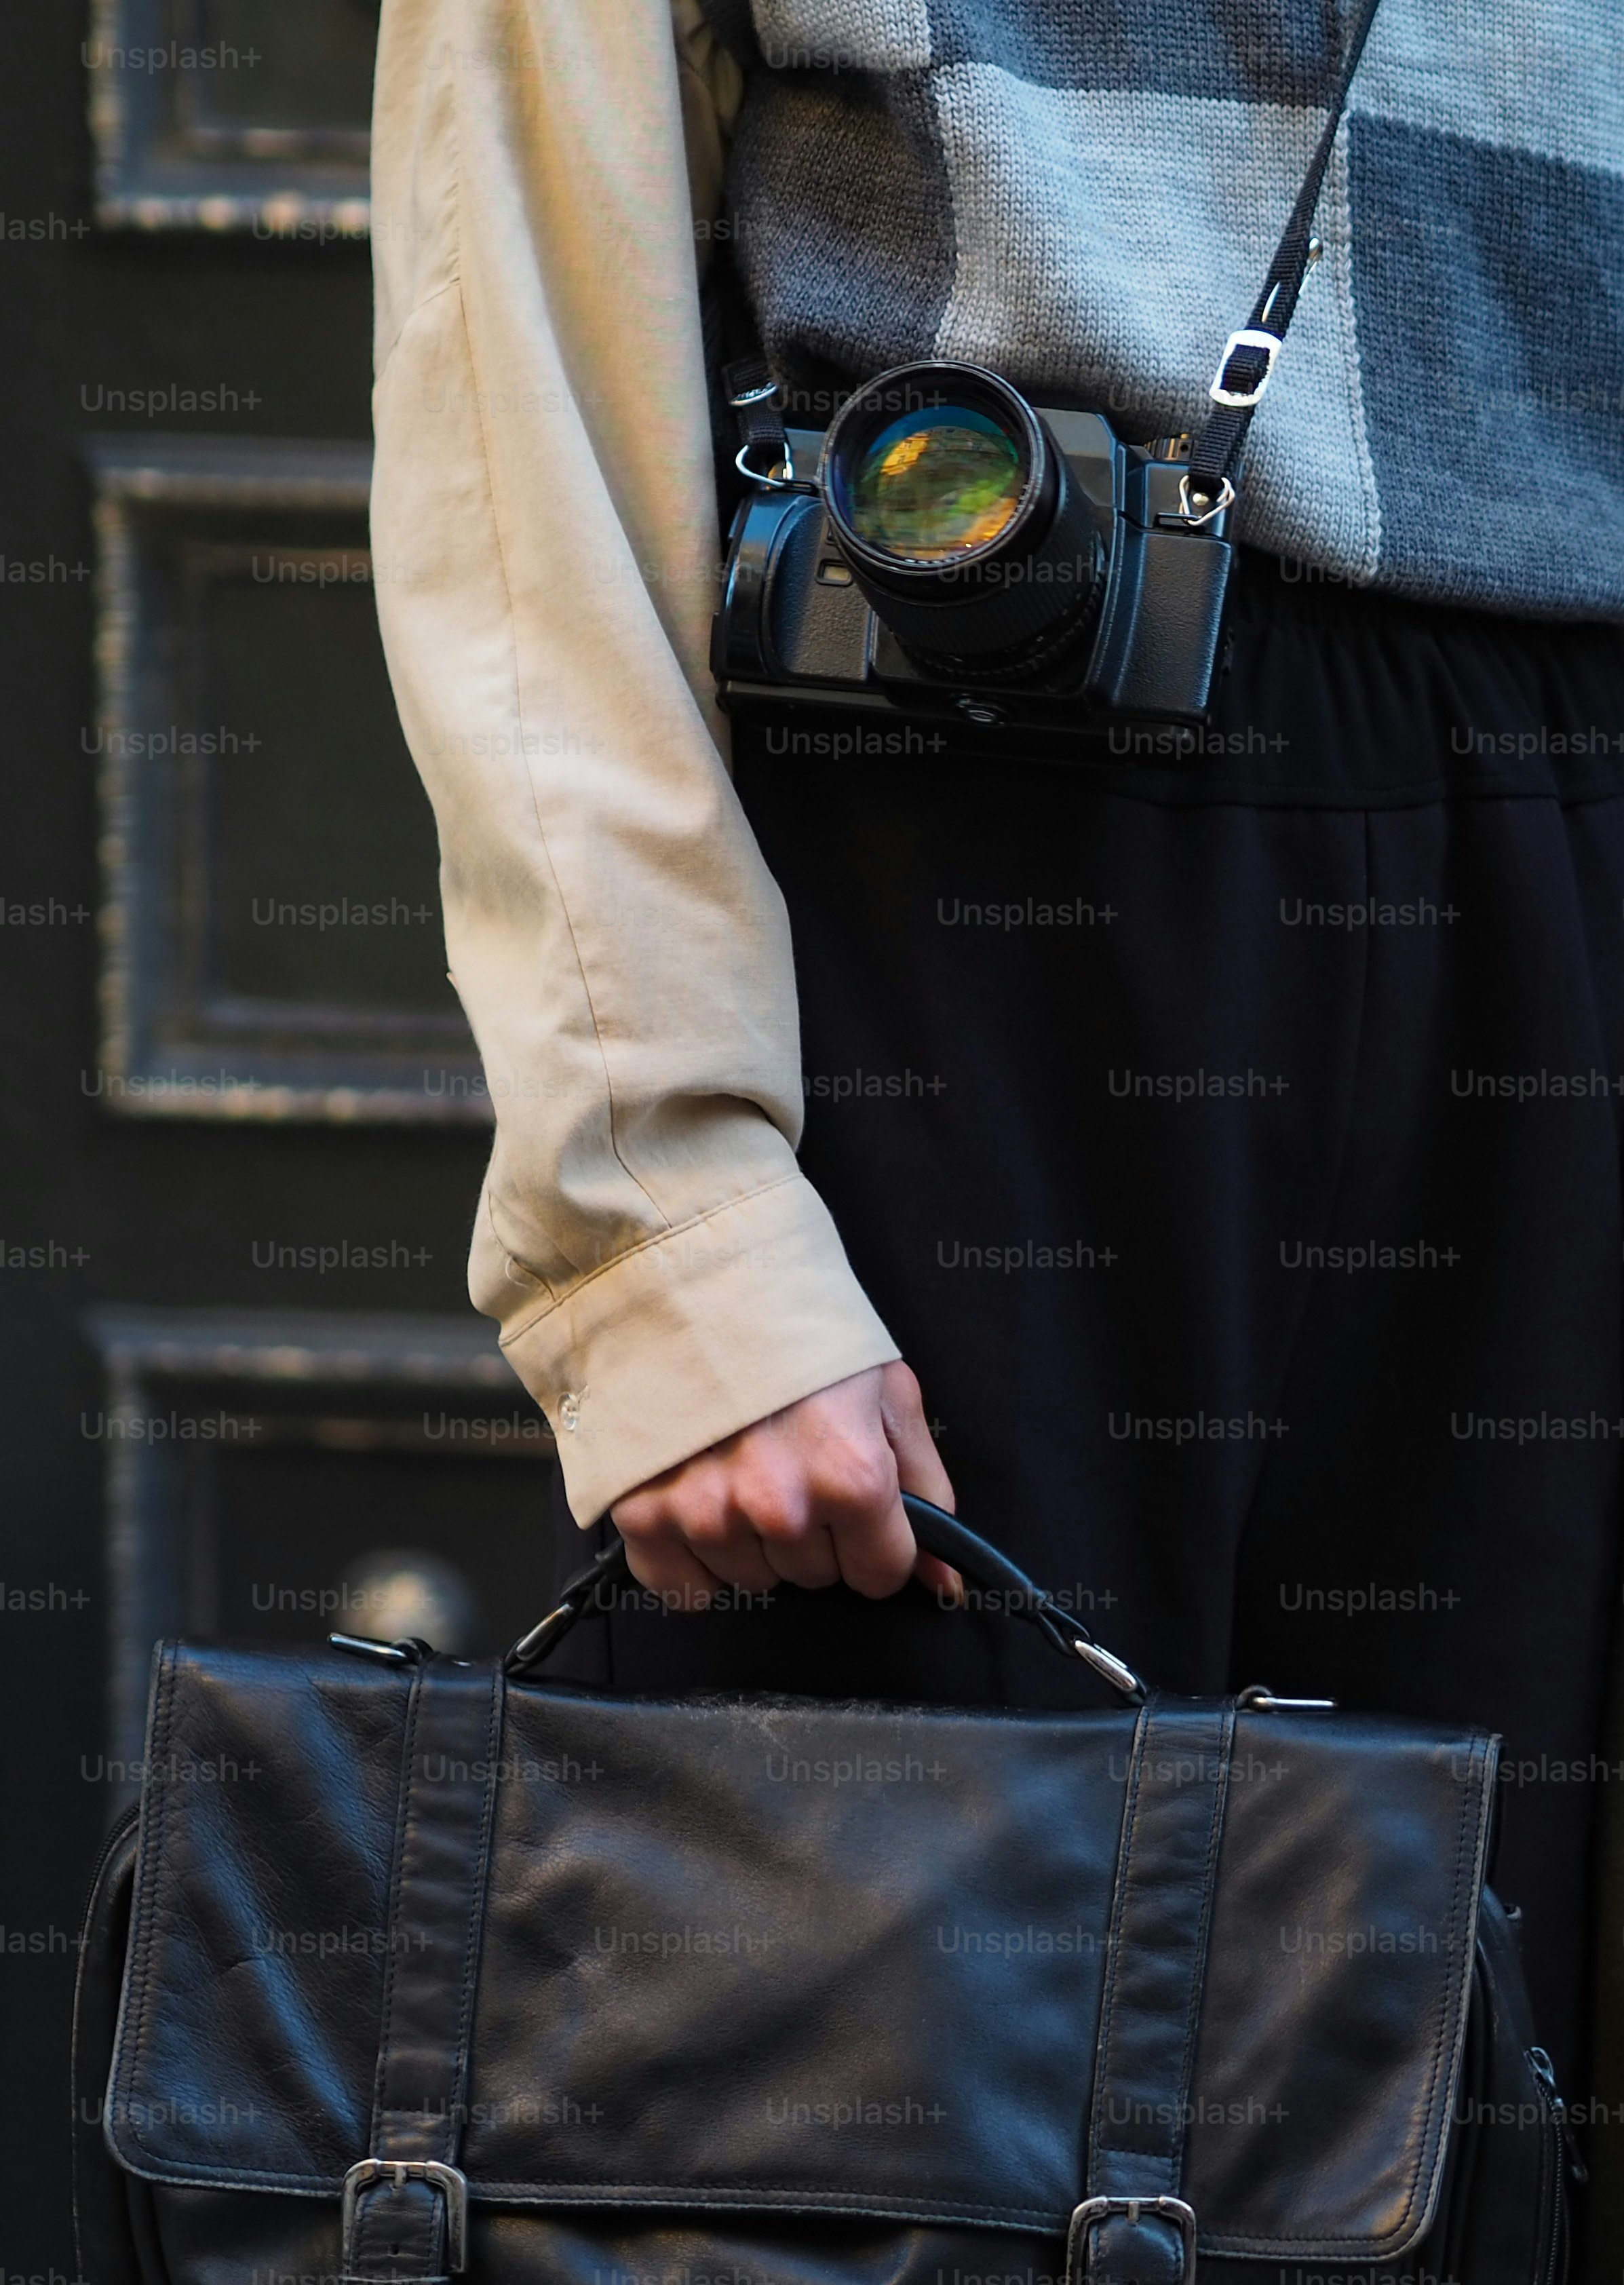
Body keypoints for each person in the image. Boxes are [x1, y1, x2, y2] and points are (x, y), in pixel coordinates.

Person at [368, 0, 1624, 2149]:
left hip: (1569, 885)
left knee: (1479, 2130)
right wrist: (661, 1215)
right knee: (880, 2129)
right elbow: (525, 377)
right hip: (965, 876)